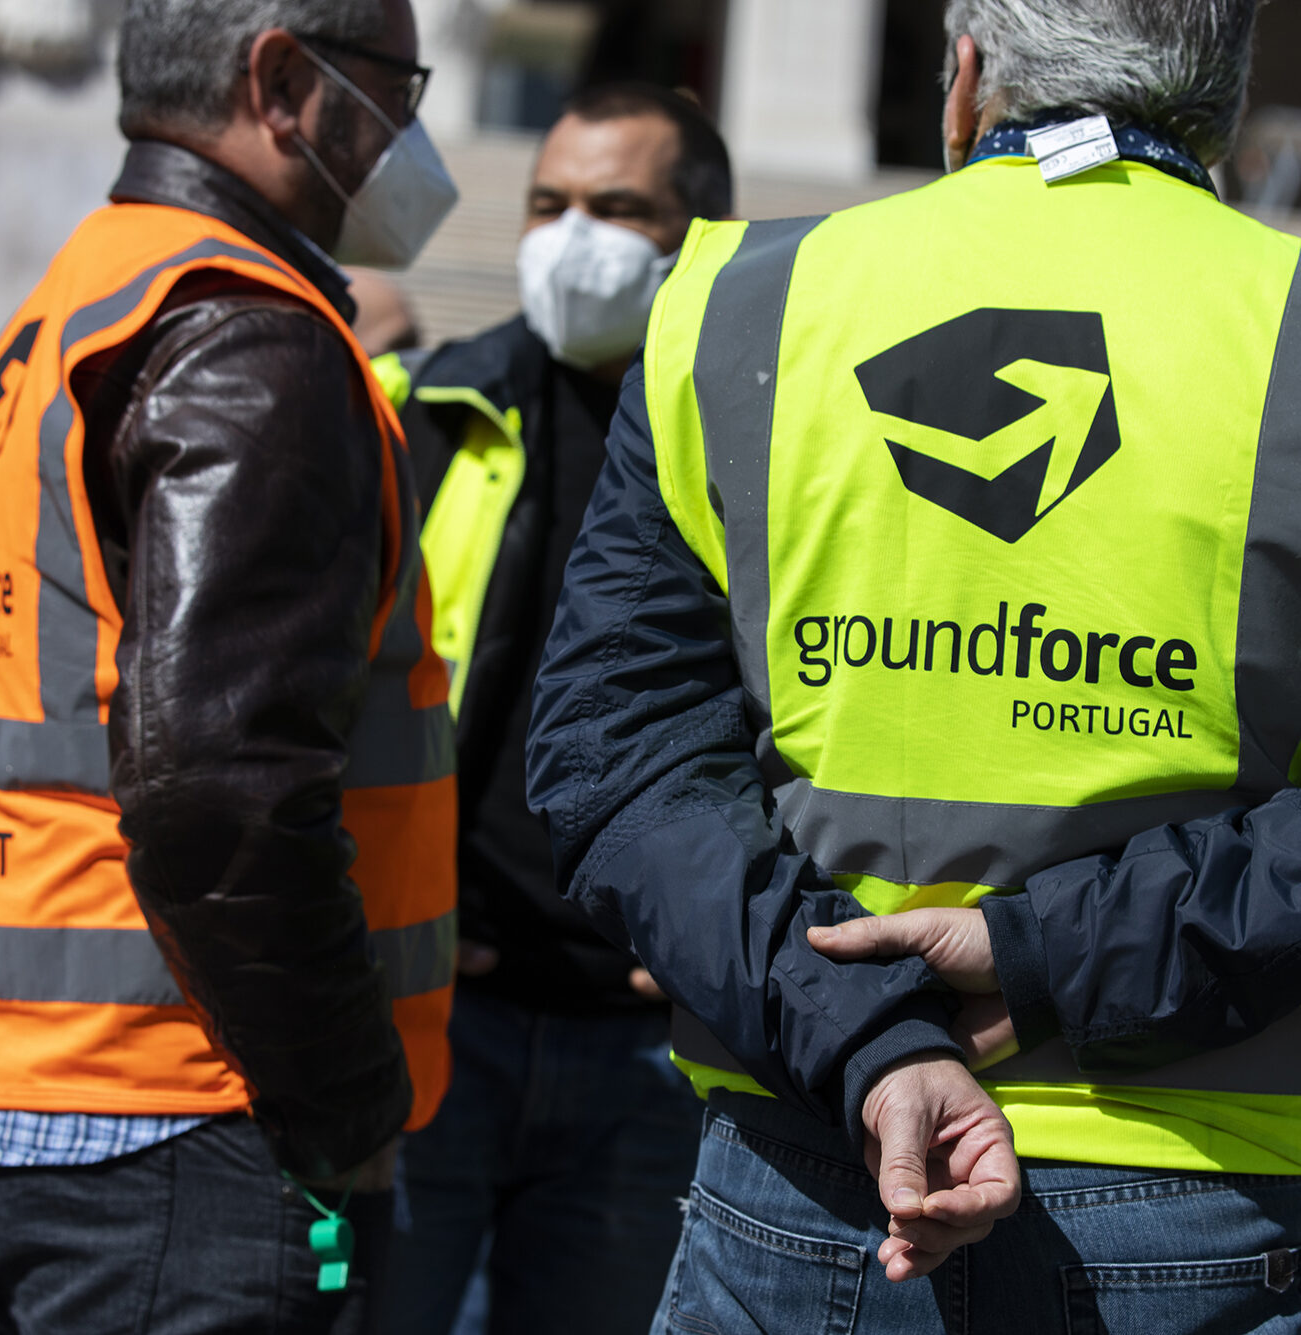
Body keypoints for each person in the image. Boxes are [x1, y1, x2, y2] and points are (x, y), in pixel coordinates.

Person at [527, 0, 1301, 1329]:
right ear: (1216, 102)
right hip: (1199, 1193)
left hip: (797, 1163)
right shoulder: (1277, 321)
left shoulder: (735, 303)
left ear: (959, 82)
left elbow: (615, 752)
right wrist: (1036, 952)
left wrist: (865, 1024)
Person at [0, 1, 458, 1331]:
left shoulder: (83, 293)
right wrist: (348, 1098)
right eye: (393, 85)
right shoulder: (250, 334)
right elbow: (221, 786)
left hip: (39, 1096)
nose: (411, 132)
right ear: (284, 83)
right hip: (187, 1117)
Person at [370, 83, 731, 1335]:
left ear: (701, 231)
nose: (571, 237)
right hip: (440, 1017)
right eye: (547, 204)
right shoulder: (433, 414)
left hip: (648, 1049)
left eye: (618, 208)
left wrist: (717, 939)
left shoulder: (758, 441)